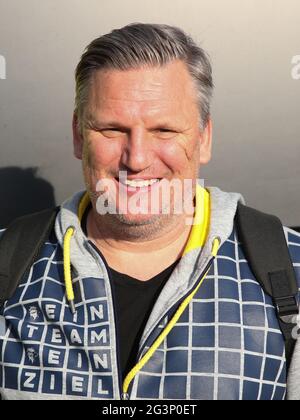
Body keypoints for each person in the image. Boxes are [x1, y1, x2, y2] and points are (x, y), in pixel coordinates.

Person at [0, 22, 300, 401]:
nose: (137, 159)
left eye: (164, 130)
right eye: (112, 129)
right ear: (78, 136)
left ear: (204, 138)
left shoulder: (291, 271)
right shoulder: (9, 266)